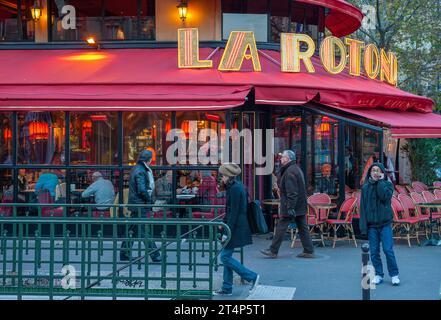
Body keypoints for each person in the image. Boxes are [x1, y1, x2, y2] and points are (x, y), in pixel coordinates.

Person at [213, 163, 260, 296]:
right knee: (226, 256)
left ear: (228, 176)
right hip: (237, 226)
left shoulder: (234, 189)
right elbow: (231, 211)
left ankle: (252, 277)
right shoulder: (237, 186)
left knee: (225, 257)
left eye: (222, 175)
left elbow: (233, 212)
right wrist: (224, 224)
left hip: (235, 228)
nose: (221, 178)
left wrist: (226, 231)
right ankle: (227, 287)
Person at [261, 150, 315, 259]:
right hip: (299, 205)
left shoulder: (290, 171)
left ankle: (273, 250)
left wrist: (290, 207)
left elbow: (292, 192)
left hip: (291, 205)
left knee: (281, 227)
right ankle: (309, 250)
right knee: (302, 227)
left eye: (283, 157)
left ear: (288, 159)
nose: (281, 159)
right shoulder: (295, 169)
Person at [359, 162, 400, 286]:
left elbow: (384, 197)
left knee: (388, 250)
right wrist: (363, 227)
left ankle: (394, 274)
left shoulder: (387, 185)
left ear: (382, 173)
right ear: (370, 173)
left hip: (385, 224)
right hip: (372, 226)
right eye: (373, 170)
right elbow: (363, 208)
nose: (375, 172)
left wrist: (380, 182)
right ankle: (378, 274)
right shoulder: (365, 187)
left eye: (378, 170)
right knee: (374, 252)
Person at [120, 150, 161, 263]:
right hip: (140, 205)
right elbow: (142, 189)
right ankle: (155, 255)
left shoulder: (136, 168)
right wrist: (149, 200)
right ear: (149, 160)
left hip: (135, 204)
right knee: (144, 231)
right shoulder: (141, 171)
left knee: (132, 230)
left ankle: (124, 253)